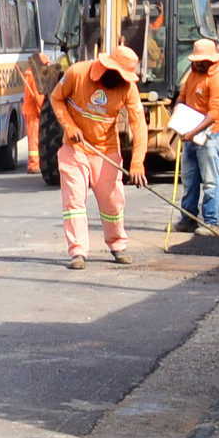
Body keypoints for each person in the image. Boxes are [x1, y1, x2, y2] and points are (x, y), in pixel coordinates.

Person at [48, 44, 149, 270]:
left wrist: (137, 162)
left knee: (113, 201)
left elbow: (139, 124)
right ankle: (78, 252)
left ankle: (117, 245)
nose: (123, 80)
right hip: (75, 147)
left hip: (106, 150)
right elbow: (56, 99)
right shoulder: (77, 73)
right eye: (120, 75)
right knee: (74, 200)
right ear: (108, 68)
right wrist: (70, 126)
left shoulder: (128, 87)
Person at [174, 37, 219, 234]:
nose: (197, 64)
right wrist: (177, 111)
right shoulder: (192, 75)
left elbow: (214, 114)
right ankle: (188, 218)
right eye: (195, 61)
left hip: (210, 135)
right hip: (190, 133)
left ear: (211, 60)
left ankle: (211, 222)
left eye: (201, 61)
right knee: (189, 179)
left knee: (210, 180)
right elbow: (183, 97)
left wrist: (193, 132)